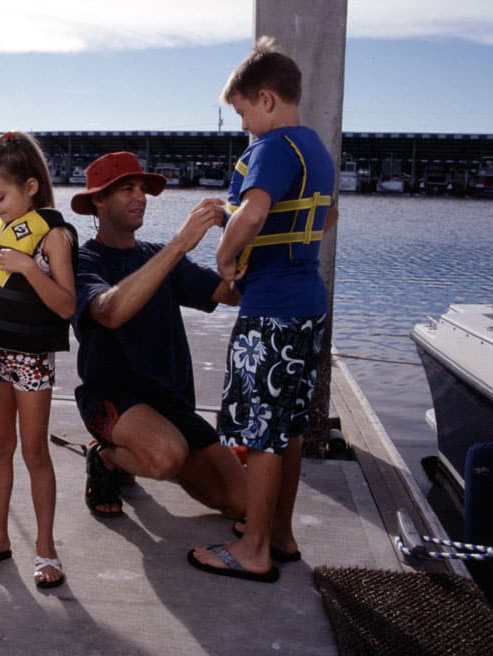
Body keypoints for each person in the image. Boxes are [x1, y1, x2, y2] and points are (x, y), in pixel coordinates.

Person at [188, 37, 339, 583]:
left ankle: (253, 549)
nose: (244, 124)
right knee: (289, 427)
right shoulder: (314, 151)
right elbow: (327, 219)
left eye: (244, 111)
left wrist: (227, 260)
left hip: (270, 311)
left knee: (260, 431)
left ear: (268, 100)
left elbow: (249, 215)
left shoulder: (273, 148)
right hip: (307, 309)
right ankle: (279, 532)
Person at [70, 151, 246, 524]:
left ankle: (137, 452)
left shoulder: (160, 257)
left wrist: (244, 239)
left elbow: (230, 294)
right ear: (97, 201)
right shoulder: (83, 262)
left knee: (242, 502)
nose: (140, 197)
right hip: (112, 400)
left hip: (171, 405)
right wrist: (180, 243)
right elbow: (110, 311)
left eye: (143, 189)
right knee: (167, 456)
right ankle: (106, 457)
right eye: (127, 189)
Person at [0, 131, 76, 589]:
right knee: (0, 448)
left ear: (30, 186)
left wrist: (29, 268)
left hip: (31, 361)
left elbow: (65, 305)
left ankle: (46, 549)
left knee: (34, 451)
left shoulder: (53, 237)